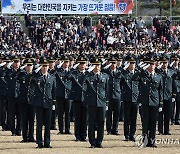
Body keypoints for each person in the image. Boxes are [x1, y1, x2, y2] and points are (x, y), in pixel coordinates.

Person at [133, 54, 163, 148]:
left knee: (153, 123)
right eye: (149, 64)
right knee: (145, 123)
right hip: (144, 102)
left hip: (154, 102)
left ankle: (152, 141)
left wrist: (161, 103)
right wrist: (141, 69)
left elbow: (160, 91)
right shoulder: (142, 75)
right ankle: (145, 141)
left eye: (153, 64)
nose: (152, 66)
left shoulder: (159, 77)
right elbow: (134, 78)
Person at [30, 57, 56, 148]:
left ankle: (47, 142)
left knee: (48, 125)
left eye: (46, 66)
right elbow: (30, 82)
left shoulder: (52, 78)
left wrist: (53, 103)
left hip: (48, 103)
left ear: (48, 66)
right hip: (38, 103)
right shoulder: (36, 77)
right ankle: (39, 142)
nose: (45, 67)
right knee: (39, 124)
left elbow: (53, 91)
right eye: (43, 66)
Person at [84, 57, 109, 148]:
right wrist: (87, 72)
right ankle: (92, 142)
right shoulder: (88, 76)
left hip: (101, 102)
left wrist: (107, 102)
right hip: (92, 102)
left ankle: (99, 141)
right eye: (95, 65)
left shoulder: (105, 76)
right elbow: (82, 81)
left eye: (98, 65)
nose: (97, 67)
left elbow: (107, 90)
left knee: (101, 122)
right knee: (91, 122)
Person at [68, 55, 88, 141]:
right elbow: (67, 76)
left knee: (85, 119)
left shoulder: (88, 74)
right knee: (77, 118)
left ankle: (84, 135)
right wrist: (73, 67)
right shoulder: (74, 73)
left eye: (83, 63)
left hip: (86, 99)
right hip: (77, 98)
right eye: (80, 63)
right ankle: (77, 136)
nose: (82, 65)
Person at [121, 54, 139, 141]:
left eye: (133, 63)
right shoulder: (123, 73)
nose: (132, 65)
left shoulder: (137, 73)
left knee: (134, 118)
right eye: (130, 63)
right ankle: (126, 135)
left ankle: (132, 134)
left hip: (135, 99)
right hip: (127, 98)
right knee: (127, 118)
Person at [157, 55, 176, 135]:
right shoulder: (158, 72)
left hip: (168, 96)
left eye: (166, 63)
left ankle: (167, 130)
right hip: (160, 96)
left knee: (168, 114)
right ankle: (160, 130)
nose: (164, 64)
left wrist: (174, 95)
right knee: (160, 115)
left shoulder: (171, 72)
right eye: (163, 63)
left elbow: (174, 84)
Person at [17, 58, 35, 142]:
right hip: (23, 100)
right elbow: (20, 77)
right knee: (24, 120)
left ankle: (31, 136)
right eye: (27, 65)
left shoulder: (35, 75)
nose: (29, 67)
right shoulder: (21, 74)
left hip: (32, 100)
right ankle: (24, 137)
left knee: (31, 120)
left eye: (31, 65)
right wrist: (22, 68)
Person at [103, 56, 122, 135]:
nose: (113, 64)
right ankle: (109, 129)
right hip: (109, 95)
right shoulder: (106, 72)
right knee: (109, 114)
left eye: (114, 63)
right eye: (112, 63)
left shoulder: (119, 72)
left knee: (117, 114)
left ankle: (115, 129)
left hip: (117, 95)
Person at [56, 55, 72, 134]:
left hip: (68, 95)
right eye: (64, 62)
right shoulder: (58, 71)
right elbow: (52, 72)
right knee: (60, 113)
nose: (66, 63)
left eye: (67, 62)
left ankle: (67, 129)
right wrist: (57, 66)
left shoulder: (71, 71)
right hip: (60, 95)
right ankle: (61, 129)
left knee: (68, 113)